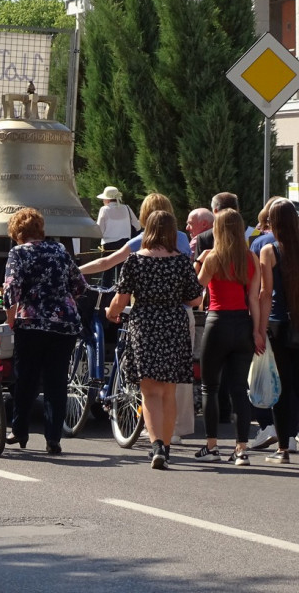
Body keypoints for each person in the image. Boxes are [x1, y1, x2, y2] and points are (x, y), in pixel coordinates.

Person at [106, 211, 204, 469]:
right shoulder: (182, 262)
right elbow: (195, 300)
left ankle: (156, 445)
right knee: (168, 392)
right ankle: (168, 446)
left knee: (149, 393)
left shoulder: (135, 261)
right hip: (173, 325)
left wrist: (111, 312)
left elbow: (121, 300)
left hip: (145, 326)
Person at [1, 207, 87, 456]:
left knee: (26, 378)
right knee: (56, 381)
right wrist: (62, 300)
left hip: (31, 322)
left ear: (17, 232)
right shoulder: (60, 250)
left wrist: (10, 318)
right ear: (40, 228)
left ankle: (19, 430)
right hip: (65, 324)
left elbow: (12, 289)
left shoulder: (18, 253)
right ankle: (53, 438)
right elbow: (79, 284)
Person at [193, 208, 263, 466]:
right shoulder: (251, 258)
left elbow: (195, 291)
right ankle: (241, 450)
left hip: (217, 323)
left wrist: (197, 263)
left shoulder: (212, 257)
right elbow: (254, 299)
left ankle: (212, 446)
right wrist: (257, 331)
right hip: (243, 324)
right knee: (239, 390)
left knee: (209, 387)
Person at [258, 199, 299, 463]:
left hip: (278, 324)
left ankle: (283, 448)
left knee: (281, 387)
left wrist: (258, 329)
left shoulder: (270, 250)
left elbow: (264, 293)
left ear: (273, 222)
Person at [95, 186, 139, 287]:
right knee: (123, 275)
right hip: (125, 245)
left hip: (109, 245)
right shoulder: (127, 208)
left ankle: (105, 299)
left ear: (107, 199)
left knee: (107, 276)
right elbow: (137, 225)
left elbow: (99, 230)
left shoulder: (104, 210)